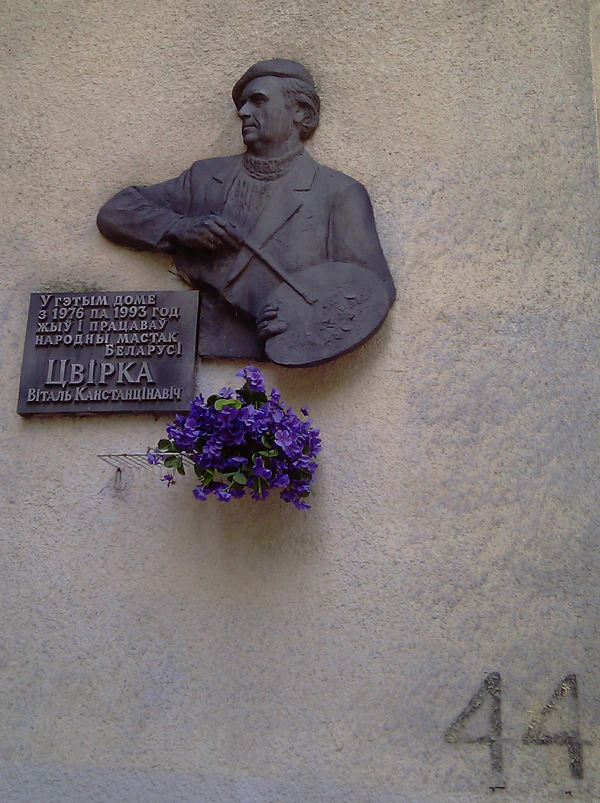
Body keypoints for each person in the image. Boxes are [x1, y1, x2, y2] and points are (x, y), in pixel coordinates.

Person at [97, 59, 395, 362]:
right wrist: (180, 228)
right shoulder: (206, 178)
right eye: (243, 104)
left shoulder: (338, 193)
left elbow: (372, 293)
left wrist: (300, 325)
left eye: (258, 101)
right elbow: (117, 211)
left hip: (275, 346)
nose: (243, 112)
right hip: (209, 335)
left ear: (300, 112)